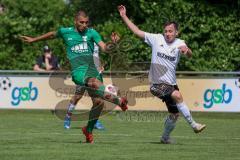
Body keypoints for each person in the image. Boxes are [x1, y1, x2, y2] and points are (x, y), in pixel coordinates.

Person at [21, 10, 128, 143]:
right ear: (75, 21)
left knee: (98, 103)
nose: (84, 25)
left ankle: (88, 130)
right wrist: (33, 40)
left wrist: (114, 43)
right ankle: (118, 101)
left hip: (92, 69)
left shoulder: (92, 33)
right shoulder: (66, 32)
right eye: (81, 22)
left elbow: (105, 48)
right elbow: (51, 35)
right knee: (93, 84)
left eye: (86, 22)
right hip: (78, 71)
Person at [118, 5, 206, 144]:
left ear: (176, 32)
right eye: (166, 31)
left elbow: (190, 55)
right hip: (156, 84)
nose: (168, 34)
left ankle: (165, 138)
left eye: (171, 31)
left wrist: (186, 50)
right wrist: (124, 16)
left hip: (170, 83)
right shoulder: (156, 39)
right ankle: (194, 125)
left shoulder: (180, 43)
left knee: (174, 114)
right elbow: (137, 32)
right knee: (177, 95)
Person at [64, 32, 120, 130]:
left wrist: (112, 42)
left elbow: (101, 52)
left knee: (97, 99)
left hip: (95, 72)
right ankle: (68, 117)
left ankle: (95, 121)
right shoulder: (79, 39)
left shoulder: (95, 38)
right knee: (78, 96)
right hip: (84, 72)